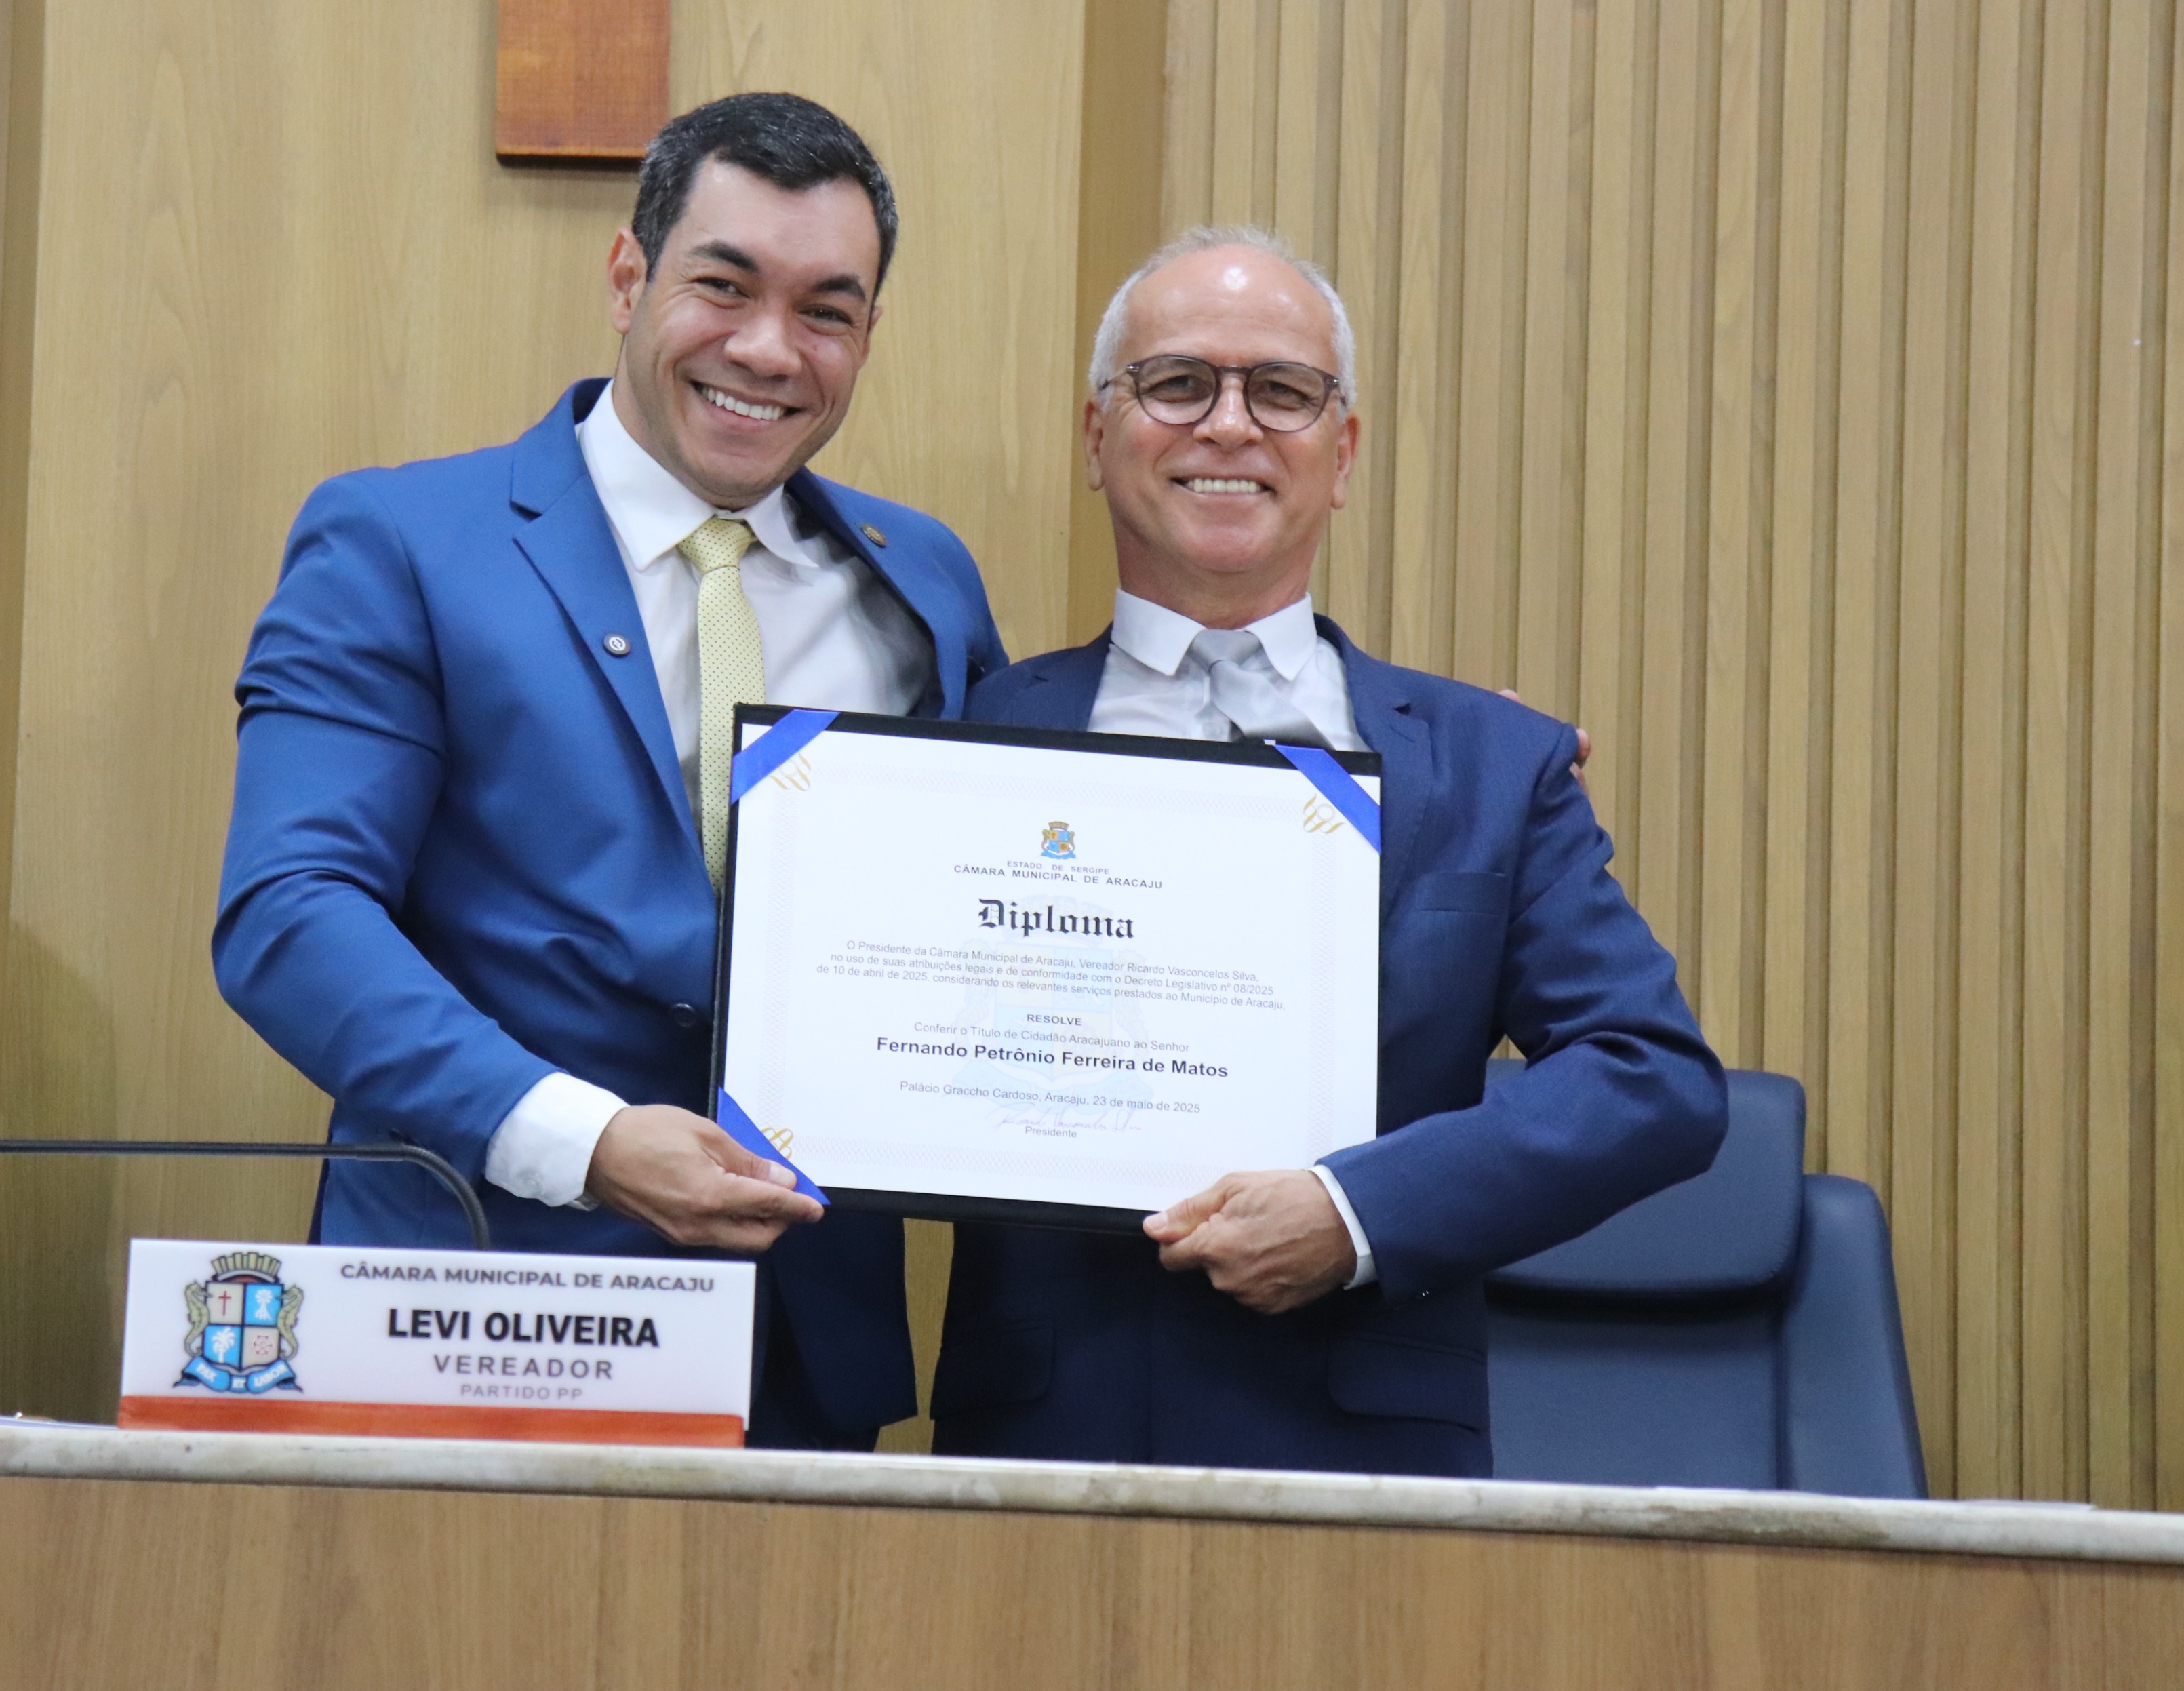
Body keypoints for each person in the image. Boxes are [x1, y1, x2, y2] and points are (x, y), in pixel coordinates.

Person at [215, 94, 1007, 1450]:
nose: (768, 348)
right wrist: (586, 1139)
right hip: (472, 1315)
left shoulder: (921, 581)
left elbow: (985, 901)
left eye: (826, 310)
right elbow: (290, 915)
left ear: (868, 336)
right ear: (629, 278)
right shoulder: (399, 541)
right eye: (723, 285)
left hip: (800, 1353)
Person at [931, 227, 1725, 1475]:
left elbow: (1651, 1078)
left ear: (1342, 451)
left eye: (1282, 391)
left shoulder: (1491, 764)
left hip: (1371, 1464)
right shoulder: (961, 741)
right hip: (1039, 1448)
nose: (1228, 425)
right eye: (1176, 383)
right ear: (1097, 437)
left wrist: (1359, 1213)